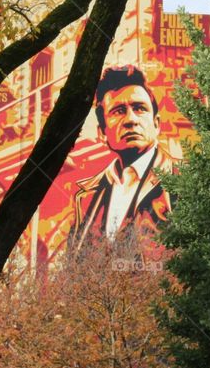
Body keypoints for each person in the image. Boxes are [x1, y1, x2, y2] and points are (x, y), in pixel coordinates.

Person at [70, 65, 175, 251]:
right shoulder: (88, 194)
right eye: (118, 111)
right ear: (102, 132)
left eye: (140, 108)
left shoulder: (183, 181)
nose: (131, 120)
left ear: (156, 124)